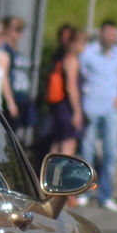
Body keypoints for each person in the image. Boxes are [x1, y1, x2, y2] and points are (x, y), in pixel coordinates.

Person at [77, 19, 117, 210]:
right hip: (91, 107)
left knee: (111, 153)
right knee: (87, 152)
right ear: (101, 33)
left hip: (110, 109)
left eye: (114, 35)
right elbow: (79, 74)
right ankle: (84, 192)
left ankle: (106, 194)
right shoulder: (88, 53)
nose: (111, 38)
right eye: (108, 34)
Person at [48, 28, 86, 157]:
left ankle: (50, 173)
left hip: (60, 106)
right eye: (82, 42)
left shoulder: (63, 58)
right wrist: (77, 111)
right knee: (67, 145)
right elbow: (71, 86)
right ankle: (61, 175)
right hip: (67, 107)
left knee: (56, 143)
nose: (83, 46)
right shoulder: (72, 61)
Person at [2, 16, 36, 140]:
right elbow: (4, 76)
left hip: (21, 96)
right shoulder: (4, 49)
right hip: (12, 96)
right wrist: (10, 101)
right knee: (7, 135)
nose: (19, 33)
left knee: (15, 135)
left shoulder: (16, 49)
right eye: (16, 29)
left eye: (21, 29)